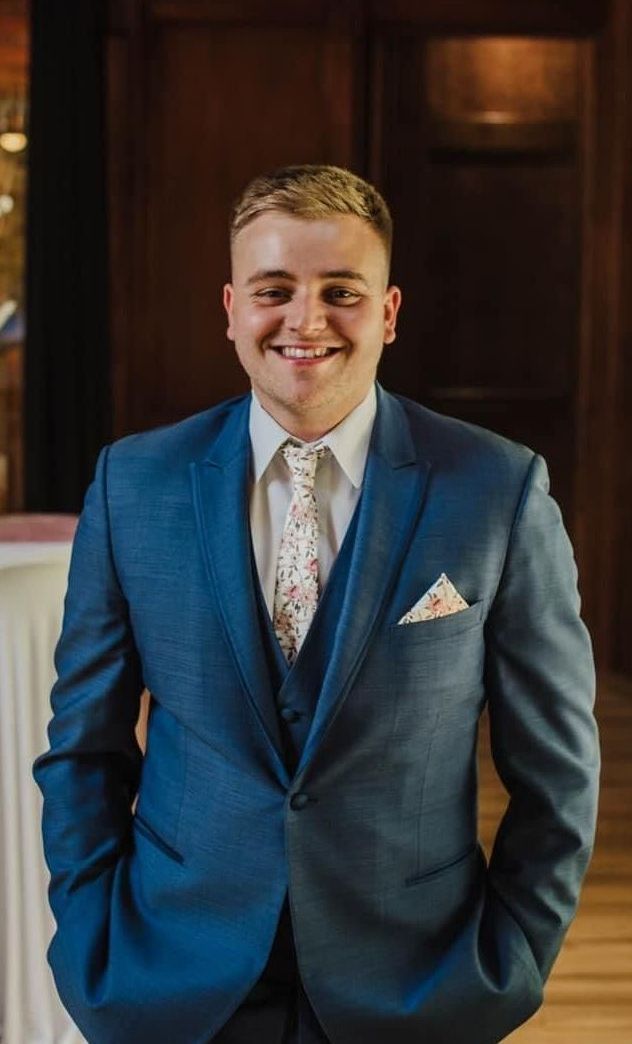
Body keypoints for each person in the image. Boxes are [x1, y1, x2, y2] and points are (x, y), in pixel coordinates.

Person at [34, 164, 600, 1044]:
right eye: (274, 290)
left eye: (342, 290)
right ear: (230, 309)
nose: (306, 320)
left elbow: (557, 769)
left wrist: (511, 956)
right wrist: (91, 944)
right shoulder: (132, 486)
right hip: (173, 979)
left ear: (389, 312)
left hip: (419, 985)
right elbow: (82, 749)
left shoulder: (497, 489)